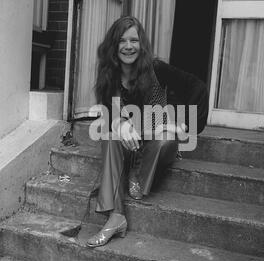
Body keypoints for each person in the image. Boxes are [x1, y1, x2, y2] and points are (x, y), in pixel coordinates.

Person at [86, 16, 208, 248]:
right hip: (131, 143)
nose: (129, 46)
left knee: (164, 138)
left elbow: (198, 87)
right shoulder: (109, 76)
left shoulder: (156, 69)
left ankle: (139, 174)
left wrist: (182, 126)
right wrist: (119, 123)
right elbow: (110, 113)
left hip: (158, 144)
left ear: (141, 44)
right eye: (122, 40)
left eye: (134, 40)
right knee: (109, 134)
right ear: (114, 45)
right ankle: (116, 216)